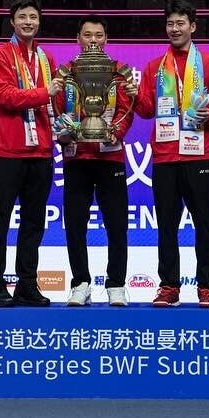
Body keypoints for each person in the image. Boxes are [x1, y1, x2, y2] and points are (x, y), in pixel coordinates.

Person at [134, 0, 209, 308]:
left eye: (180, 23)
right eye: (170, 24)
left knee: (204, 224)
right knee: (166, 225)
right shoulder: (155, 67)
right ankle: (169, 286)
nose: (175, 29)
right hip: (165, 156)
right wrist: (132, 95)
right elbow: (146, 110)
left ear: (193, 26)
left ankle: (206, 287)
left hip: (198, 154)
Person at [0, 0, 63, 307]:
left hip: (41, 150)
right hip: (9, 150)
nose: (28, 22)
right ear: (12, 22)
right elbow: (5, 96)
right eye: (22, 17)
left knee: (33, 221)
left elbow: (55, 103)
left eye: (33, 17)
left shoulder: (46, 58)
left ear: (39, 22)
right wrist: (46, 92)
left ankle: (27, 284)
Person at [59, 16, 138, 307]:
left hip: (110, 156)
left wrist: (116, 131)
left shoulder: (119, 72)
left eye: (99, 35)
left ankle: (116, 284)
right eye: (88, 35)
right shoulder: (66, 73)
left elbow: (127, 109)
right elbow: (58, 108)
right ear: (78, 38)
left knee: (116, 224)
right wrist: (66, 130)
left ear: (106, 39)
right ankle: (80, 283)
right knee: (75, 224)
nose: (93, 40)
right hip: (77, 156)